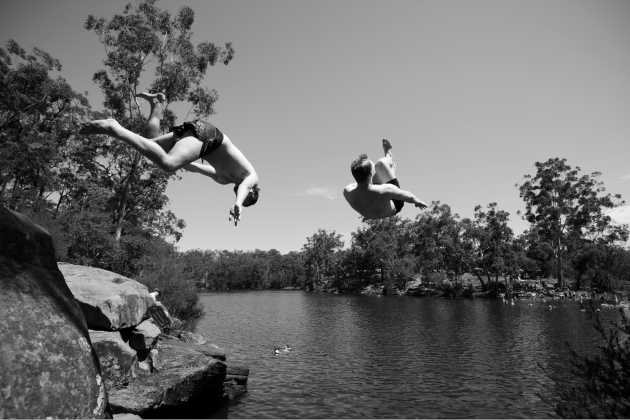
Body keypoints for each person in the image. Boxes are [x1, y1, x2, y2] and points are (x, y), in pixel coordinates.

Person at [79, 92, 259, 226]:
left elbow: (193, 167)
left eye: (242, 201)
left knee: (148, 145)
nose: (240, 198)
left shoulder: (222, 179)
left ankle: (158, 104)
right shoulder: (252, 176)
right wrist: (237, 203)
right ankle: (113, 128)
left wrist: (178, 160)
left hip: (199, 142)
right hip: (210, 137)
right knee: (168, 164)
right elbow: (245, 186)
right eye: (245, 200)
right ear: (254, 191)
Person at [343, 139, 427, 219]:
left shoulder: (347, 192)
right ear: (370, 173)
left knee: (376, 176)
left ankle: (386, 172)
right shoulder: (386, 190)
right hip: (394, 205)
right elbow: (408, 195)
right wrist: (418, 201)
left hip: (371, 213)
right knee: (381, 163)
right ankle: (389, 156)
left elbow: (362, 185)